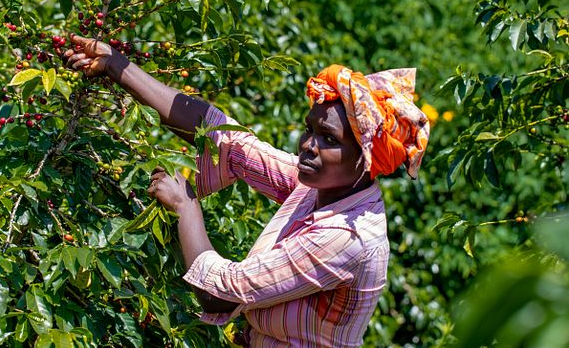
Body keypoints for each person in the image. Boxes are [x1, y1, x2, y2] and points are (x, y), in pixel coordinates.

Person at [62, 35, 430, 347]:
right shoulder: (323, 187)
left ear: (365, 160)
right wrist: (118, 66)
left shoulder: (346, 236)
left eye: (328, 139)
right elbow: (231, 142)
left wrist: (186, 206)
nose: (308, 145)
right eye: (310, 129)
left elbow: (221, 293)